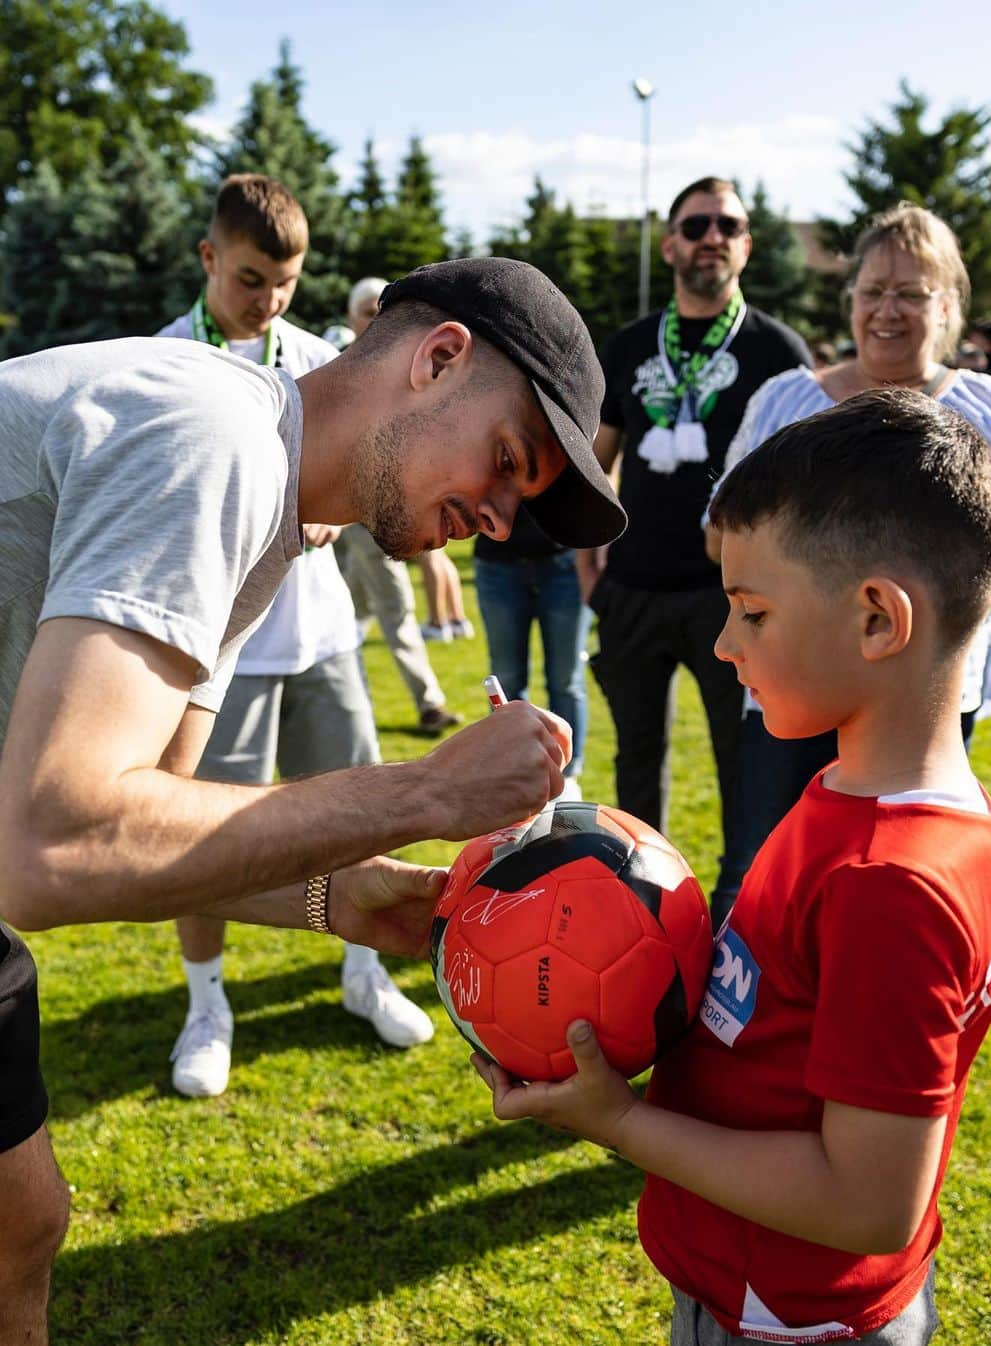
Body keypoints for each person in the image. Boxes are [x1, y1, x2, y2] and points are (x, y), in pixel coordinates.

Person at [0, 255, 626, 1344]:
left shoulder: (271, 513)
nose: (496, 514)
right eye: (508, 460)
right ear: (437, 360)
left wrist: (343, 899)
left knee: (18, 1221)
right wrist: (426, 787)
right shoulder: (216, 441)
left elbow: (150, 817)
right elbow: (51, 844)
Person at [476, 388, 991, 1345]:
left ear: (877, 621)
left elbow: (866, 1206)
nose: (724, 644)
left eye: (752, 612)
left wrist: (621, 1123)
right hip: (747, 1288)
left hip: (791, 1319)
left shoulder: (890, 886)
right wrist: (570, 864)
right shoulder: (860, 795)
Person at [704, 204, 991, 918]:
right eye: (872, 291)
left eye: (911, 292)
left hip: (920, 690)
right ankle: (731, 1021)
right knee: (760, 866)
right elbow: (719, 531)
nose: (887, 310)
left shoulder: (987, 406)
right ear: (851, 299)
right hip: (789, 668)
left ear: (949, 304)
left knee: (892, 870)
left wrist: (943, 519)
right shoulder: (787, 399)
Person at [156, 175, 432, 1097]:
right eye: (249, 280)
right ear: (207, 259)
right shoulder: (165, 362)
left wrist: (334, 516)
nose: (270, 300)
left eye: (285, 282)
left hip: (322, 640)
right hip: (219, 657)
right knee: (210, 845)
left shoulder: (321, 358)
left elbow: (368, 478)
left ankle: (364, 972)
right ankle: (207, 1004)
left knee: (357, 815)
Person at [577, 176, 811, 899]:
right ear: (671, 242)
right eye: (698, 223)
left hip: (736, 602)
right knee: (634, 769)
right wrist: (593, 576)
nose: (713, 236)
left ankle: (738, 918)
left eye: (728, 226)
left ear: (746, 245)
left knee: (745, 769)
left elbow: (805, 484)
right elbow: (593, 460)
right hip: (635, 593)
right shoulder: (630, 345)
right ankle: (636, 916)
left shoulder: (779, 350)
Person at [332, 275, 464, 732]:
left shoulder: (408, 367)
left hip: (374, 518)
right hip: (341, 519)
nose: (375, 319)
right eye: (367, 311)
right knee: (380, 609)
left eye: (381, 310)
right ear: (351, 317)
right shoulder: (336, 363)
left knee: (368, 609)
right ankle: (419, 702)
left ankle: (396, 698)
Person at [474, 509, 591, 800]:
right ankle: (513, 771)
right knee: (506, 678)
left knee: (566, 679)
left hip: (563, 562)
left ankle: (567, 774)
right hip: (497, 564)